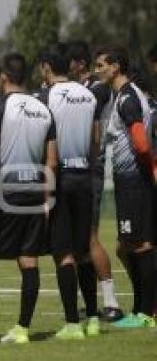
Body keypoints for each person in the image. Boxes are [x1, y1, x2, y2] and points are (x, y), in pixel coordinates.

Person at [0, 53, 57, 345]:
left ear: (2, 76)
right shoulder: (44, 109)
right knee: (29, 260)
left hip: (2, 192)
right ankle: (22, 329)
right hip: (34, 191)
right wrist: (46, 200)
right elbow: (52, 160)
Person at [34, 44, 100, 340]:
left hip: (60, 177)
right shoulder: (89, 94)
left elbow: (45, 144)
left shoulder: (46, 97)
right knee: (84, 250)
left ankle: (73, 322)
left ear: (47, 67)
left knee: (63, 253)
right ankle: (94, 319)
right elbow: (96, 140)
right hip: (85, 174)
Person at [94, 46, 156, 328]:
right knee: (129, 245)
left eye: (101, 66)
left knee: (141, 245)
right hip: (130, 181)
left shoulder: (128, 98)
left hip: (133, 182)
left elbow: (141, 142)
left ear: (116, 66)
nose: (97, 71)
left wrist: (148, 166)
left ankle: (145, 313)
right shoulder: (125, 95)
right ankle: (141, 310)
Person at [67, 41, 124, 321]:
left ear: (78, 64)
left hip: (91, 167)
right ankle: (92, 304)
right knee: (78, 241)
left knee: (89, 237)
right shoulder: (84, 89)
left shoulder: (96, 89)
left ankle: (111, 303)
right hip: (82, 168)